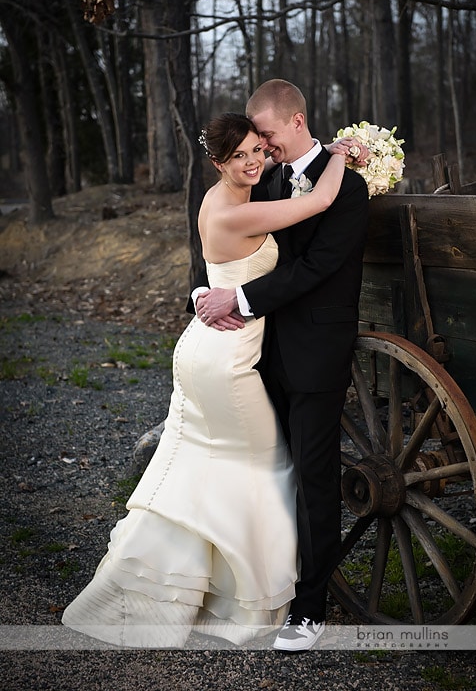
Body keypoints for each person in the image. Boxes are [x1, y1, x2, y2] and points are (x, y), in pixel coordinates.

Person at [61, 112, 346, 649]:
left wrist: (197, 295)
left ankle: (179, 587)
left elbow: (215, 271)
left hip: (202, 345)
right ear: (218, 163)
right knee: (266, 469)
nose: (253, 162)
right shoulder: (243, 212)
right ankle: (253, 600)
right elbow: (320, 203)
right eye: (238, 156)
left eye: (256, 150)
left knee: (205, 471)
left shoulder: (219, 201)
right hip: (229, 360)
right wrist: (341, 156)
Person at [195, 80, 369, 651]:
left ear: (296, 122)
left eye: (265, 136)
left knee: (315, 481)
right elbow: (235, 251)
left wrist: (238, 302)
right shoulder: (263, 180)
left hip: (316, 354)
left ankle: (310, 611)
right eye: (252, 142)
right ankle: (259, 587)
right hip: (256, 356)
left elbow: (316, 267)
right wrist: (208, 293)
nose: (261, 148)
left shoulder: (347, 189)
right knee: (267, 475)